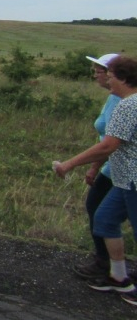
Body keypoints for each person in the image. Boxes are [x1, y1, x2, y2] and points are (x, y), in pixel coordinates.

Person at [54, 56, 137, 301]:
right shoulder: (126, 102)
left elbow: (108, 146)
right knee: (104, 218)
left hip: (133, 180)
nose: (107, 81)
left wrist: (69, 164)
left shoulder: (128, 106)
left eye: (110, 76)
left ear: (123, 78)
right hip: (123, 179)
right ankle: (118, 278)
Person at [72, 53, 121, 280]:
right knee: (101, 211)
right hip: (113, 166)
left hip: (122, 169)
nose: (96, 76)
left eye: (99, 71)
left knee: (101, 211)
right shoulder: (114, 97)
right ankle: (111, 265)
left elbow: (109, 144)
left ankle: (107, 264)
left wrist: (70, 164)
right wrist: (95, 168)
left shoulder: (122, 101)